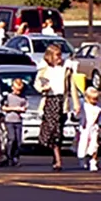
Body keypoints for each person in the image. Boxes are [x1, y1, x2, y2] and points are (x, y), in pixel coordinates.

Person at [36, 43, 76, 171]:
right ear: (50, 56)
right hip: (50, 101)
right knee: (53, 130)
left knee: (59, 131)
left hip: (61, 102)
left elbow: (72, 87)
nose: (60, 58)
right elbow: (38, 84)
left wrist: (76, 103)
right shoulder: (44, 70)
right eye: (57, 55)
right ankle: (58, 158)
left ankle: (56, 154)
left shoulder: (66, 69)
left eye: (60, 55)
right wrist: (43, 88)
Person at [1, 77, 29, 168]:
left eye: (20, 90)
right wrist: (14, 109)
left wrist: (22, 109)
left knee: (18, 141)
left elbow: (25, 107)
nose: (18, 92)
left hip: (18, 121)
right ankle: (8, 156)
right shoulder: (8, 97)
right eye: (16, 90)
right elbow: (3, 108)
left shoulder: (23, 98)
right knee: (11, 138)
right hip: (9, 120)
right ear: (12, 88)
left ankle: (15, 157)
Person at [76, 85, 101, 173]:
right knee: (83, 145)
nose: (95, 101)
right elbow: (78, 115)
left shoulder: (98, 107)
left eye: (96, 99)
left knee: (94, 145)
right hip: (85, 128)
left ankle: (93, 161)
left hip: (94, 128)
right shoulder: (84, 105)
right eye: (93, 99)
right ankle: (83, 159)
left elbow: (98, 117)